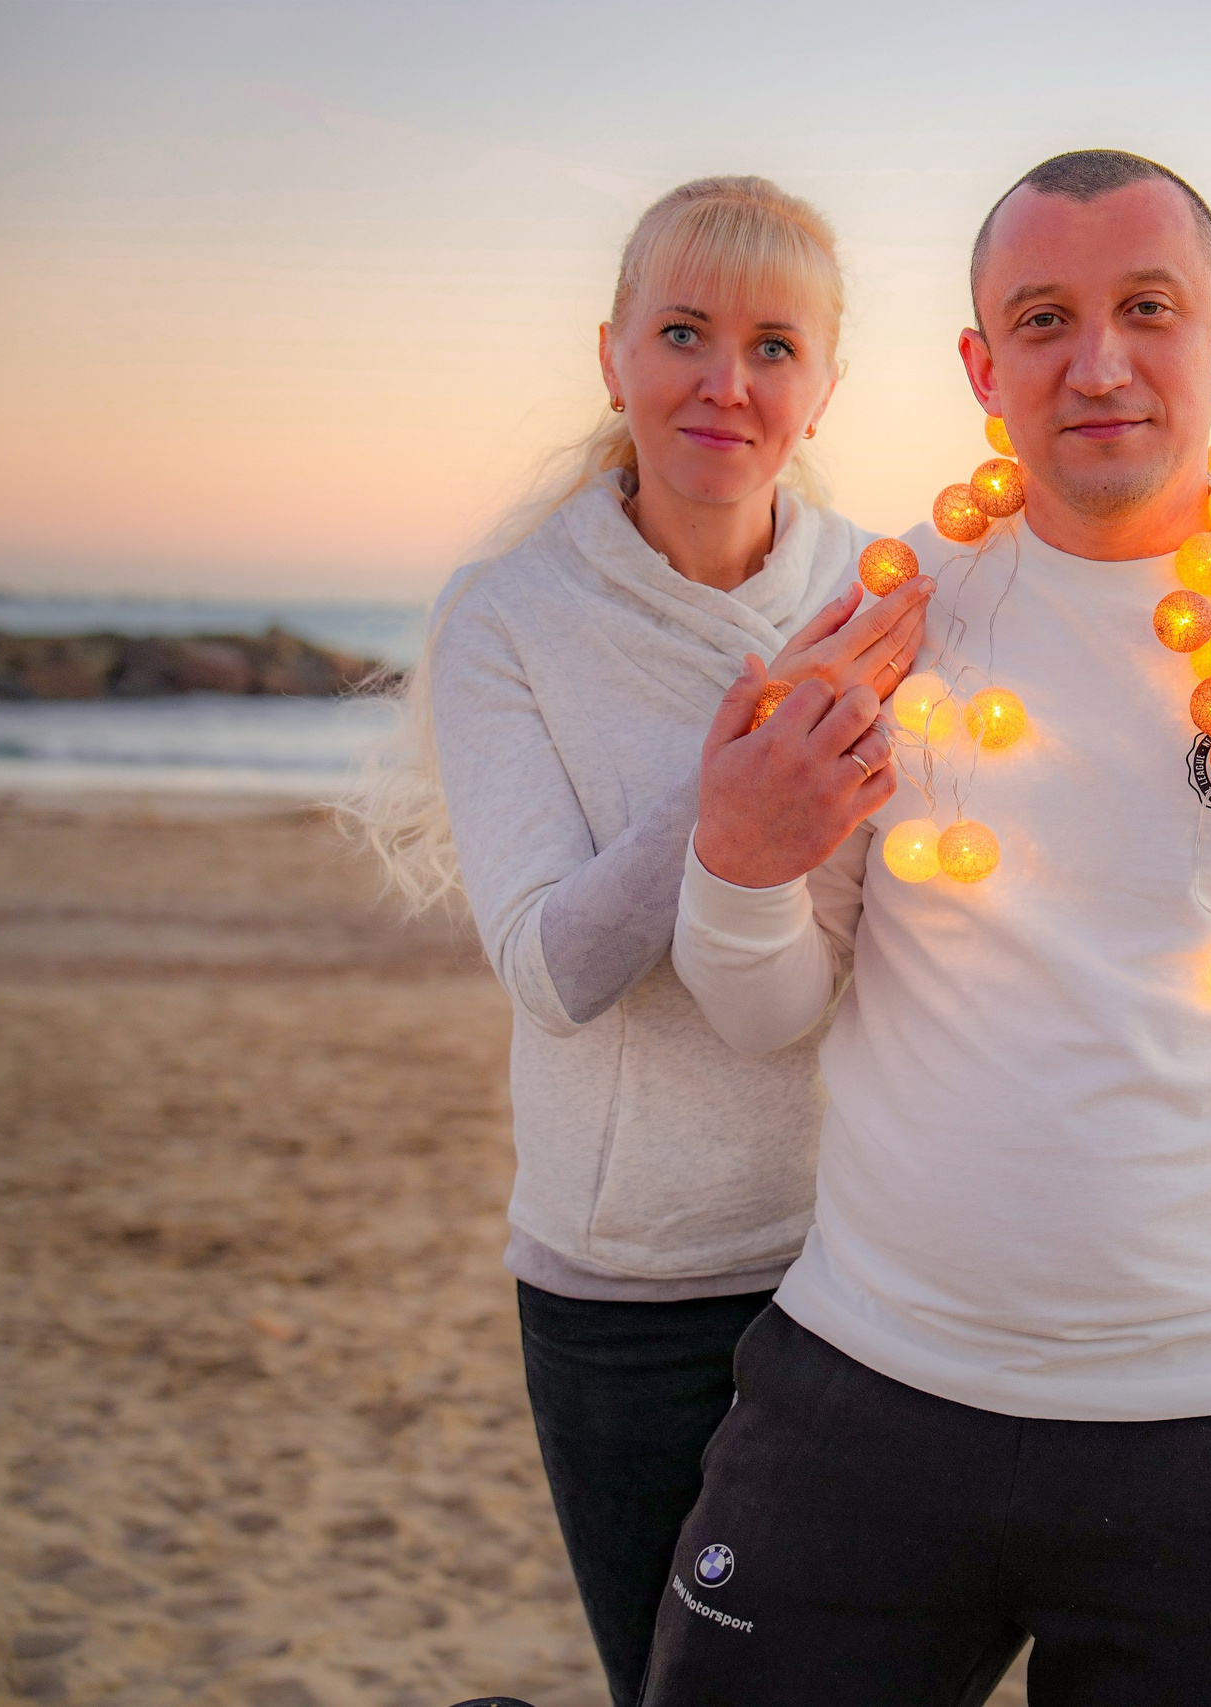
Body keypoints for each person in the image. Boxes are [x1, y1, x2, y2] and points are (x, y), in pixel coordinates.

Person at [647, 150, 1211, 1704]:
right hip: (866, 1392)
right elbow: (766, 1009)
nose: (1097, 363)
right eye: (1043, 319)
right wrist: (736, 861)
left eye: (1147, 310)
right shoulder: (894, 615)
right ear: (985, 369)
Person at [341, 175, 928, 1707]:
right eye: (682, 333)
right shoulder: (509, 615)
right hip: (629, 1293)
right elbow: (552, 967)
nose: (726, 382)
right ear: (612, 354)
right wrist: (740, 775)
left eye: (774, 346)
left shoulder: (883, 596)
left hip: (868, 1271)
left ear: (827, 384)